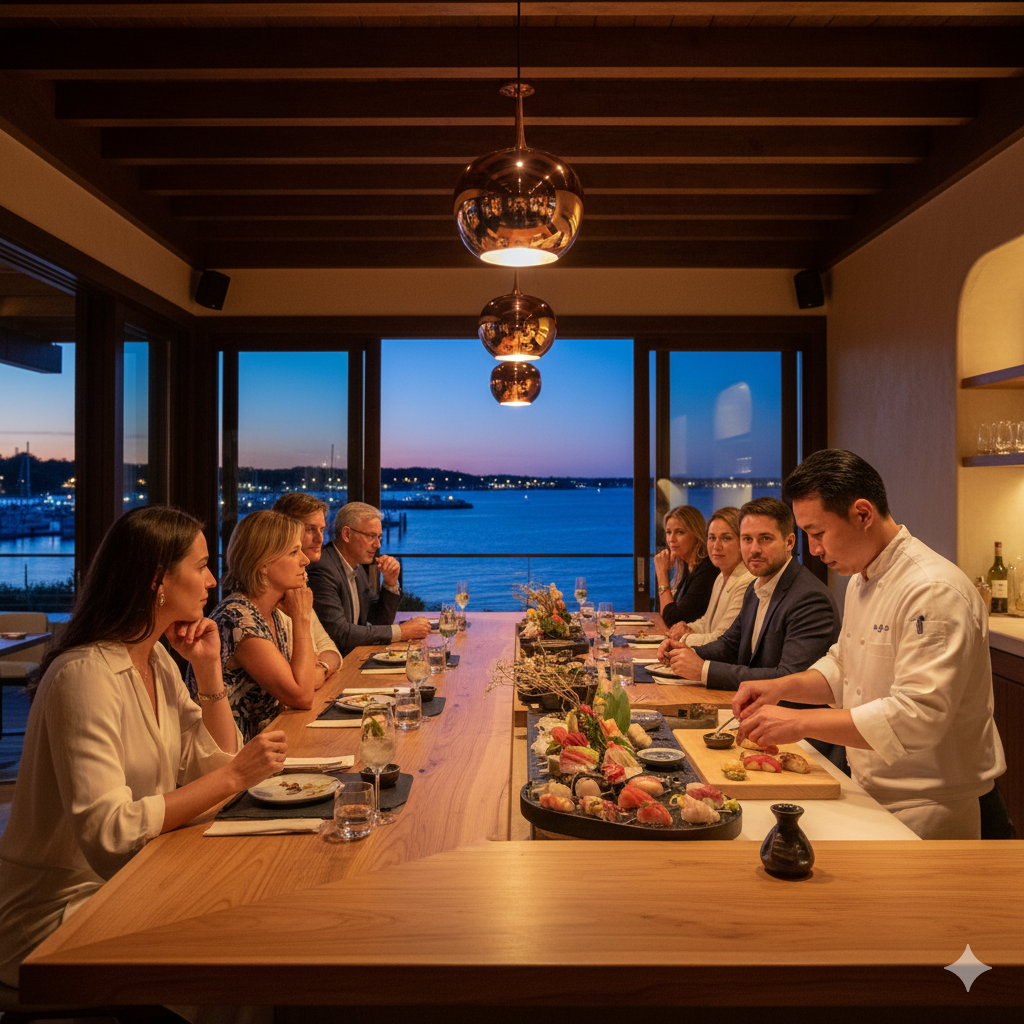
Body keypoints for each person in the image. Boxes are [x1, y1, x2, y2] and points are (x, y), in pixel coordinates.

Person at [0, 506, 287, 987]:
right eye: (200, 567)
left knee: (262, 912)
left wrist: (209, 669)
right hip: (58, 914)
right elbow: (108, 831)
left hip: (132, 879)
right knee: (244, 949)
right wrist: (236, 775)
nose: (213, 581)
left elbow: (207, 765)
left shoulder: (155, 657)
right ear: (158, 581)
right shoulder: (83, 675)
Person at [733, 449, 1008, 840]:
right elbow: (845, 665)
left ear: (862, 514)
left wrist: (797, 721)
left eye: (817, 533)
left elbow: (917, 716)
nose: (813, 549)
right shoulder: (861, 579)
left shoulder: (931, 589)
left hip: (932, 804)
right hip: (869, 786)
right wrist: (781, 688)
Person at [660, 496, 841, 691]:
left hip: (789, 714)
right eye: (747, 539)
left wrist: (703, 670)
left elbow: (789, 677)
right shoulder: (755, 587)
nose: (754, 549)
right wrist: (680, 652)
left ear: (789, 542)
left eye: (765, 539)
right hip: (754, 705)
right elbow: (730, 645)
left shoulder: (810, 598)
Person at [195, 510, 341, 742]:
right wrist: (301, 619)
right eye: (294, 552)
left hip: (266, 745)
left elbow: (308, 676)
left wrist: (314, 673)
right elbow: (302, 696)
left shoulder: (271, 611)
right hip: (233, 759)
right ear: (263, 564)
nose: (304, 560)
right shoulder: (238, 619)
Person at [307, 501, 430, 656]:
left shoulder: (356, 567)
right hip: (336, 669)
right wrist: (402, 631)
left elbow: (379, 621)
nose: (378, 545)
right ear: (347, 534)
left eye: (379, 537)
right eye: (371, 536)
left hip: (357, 658)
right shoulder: (323, 569)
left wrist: (390, 583)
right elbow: (340, 634)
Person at [667, 506, 754, 646]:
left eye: (726, 538)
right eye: (712, 538)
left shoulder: (747, 581)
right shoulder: (720, 577)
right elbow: (706, 622)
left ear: (742, 542)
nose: (716, 546)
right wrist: (687, 628)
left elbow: (721, 639)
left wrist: (682, 638)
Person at [654, 504, 719, 628]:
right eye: (668, 532)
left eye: (679, 532)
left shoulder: (707, 570)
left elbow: (674, 620)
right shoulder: (687, 565)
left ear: (696, 534)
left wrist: (662, 574)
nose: (671, 539)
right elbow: (665, 611)